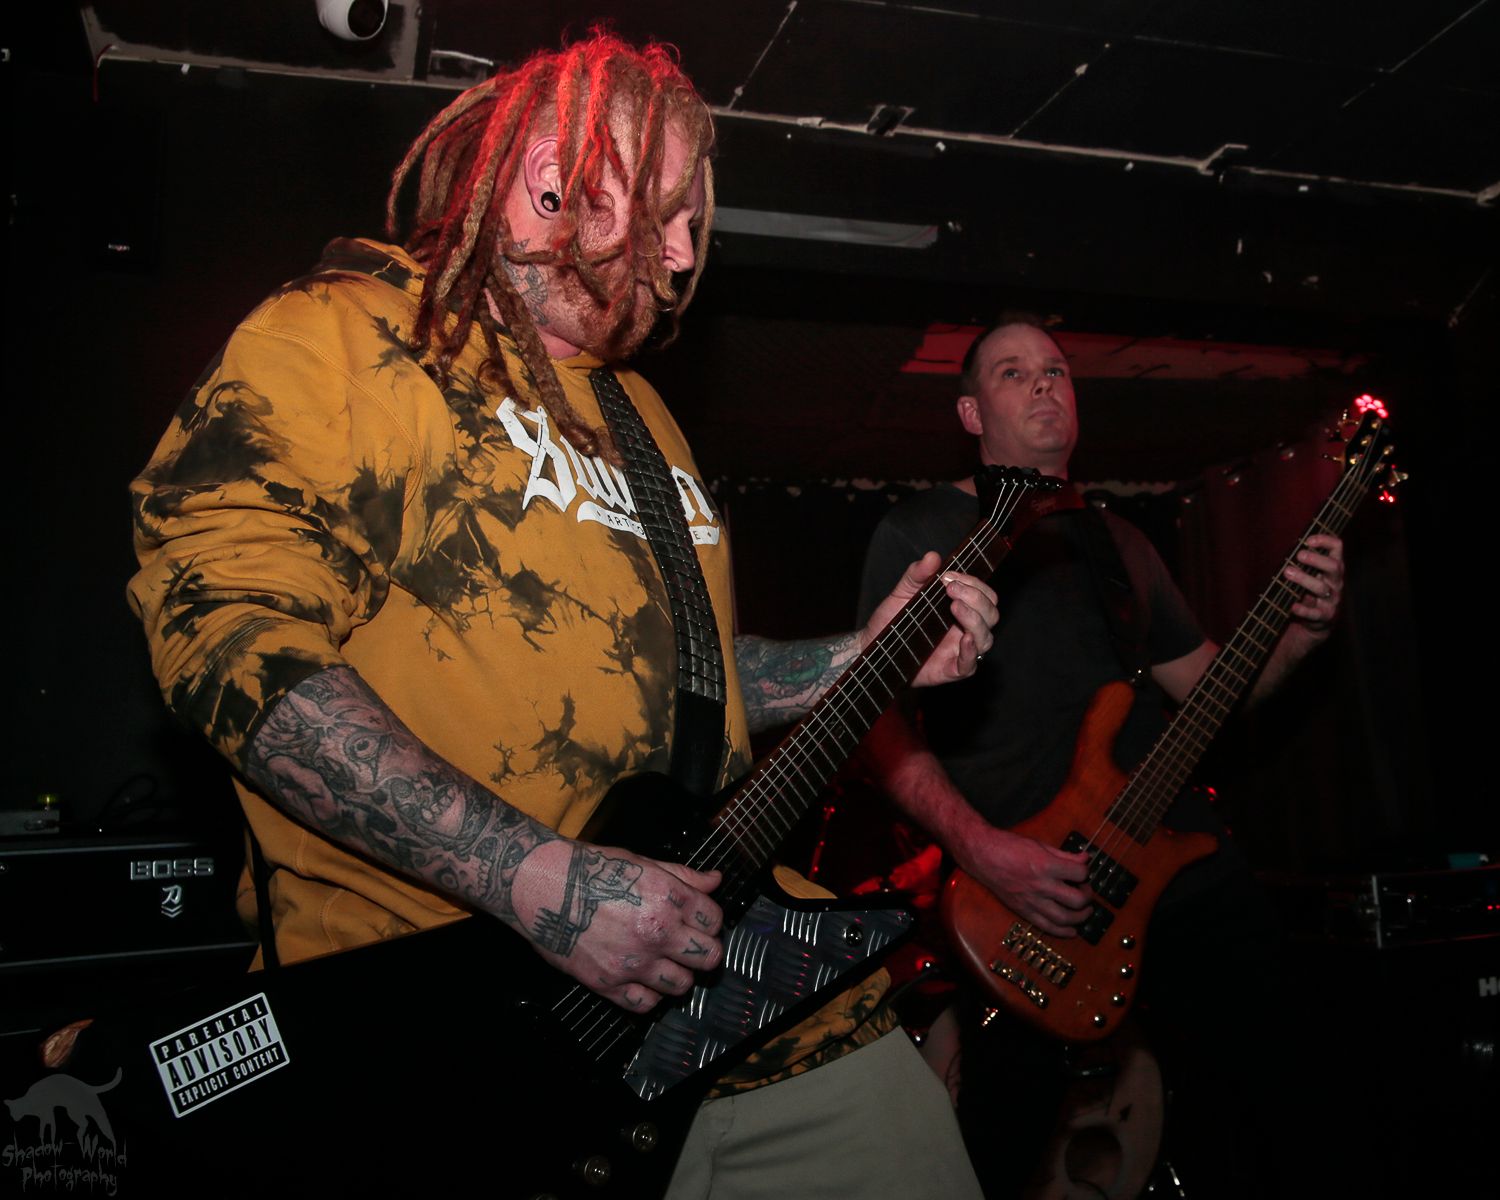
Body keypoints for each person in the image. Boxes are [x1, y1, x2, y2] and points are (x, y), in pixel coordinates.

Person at [128, 34, 994, 1198]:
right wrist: (535, 879)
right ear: (549, 181)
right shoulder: (348, 335)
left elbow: (684, 679)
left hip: (752, 1007)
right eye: (669, 212)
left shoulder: (644, 416)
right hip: (452, 1043)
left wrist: (863, 657)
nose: (684, 253)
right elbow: (223, 631)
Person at [856, 317, 1344, 1197]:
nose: (1045, 384)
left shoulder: (1120, 543)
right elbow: (876, 724)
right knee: (999, 1145)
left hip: (1175, 860)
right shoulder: (922, 531)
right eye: (1014, 373)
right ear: (971, 413)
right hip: (1028, 893)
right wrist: (983, 851)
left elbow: (1213, 689)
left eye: (1056, 370)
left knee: (1286, 1099)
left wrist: (1300, 636)